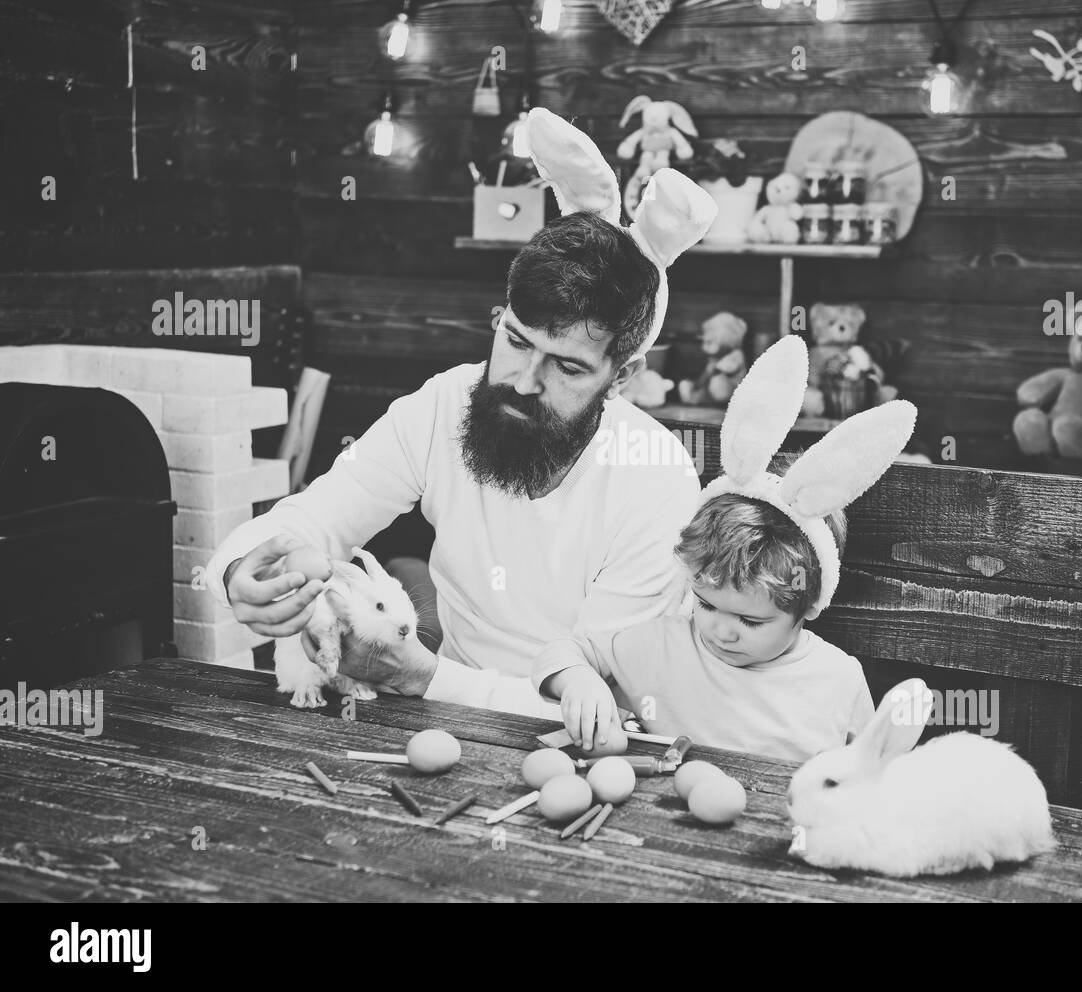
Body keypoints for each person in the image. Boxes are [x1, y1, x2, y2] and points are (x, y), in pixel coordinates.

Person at [203, 110, 718, 713]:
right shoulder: (447, 403)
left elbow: (608, 700)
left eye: (568, 367)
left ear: (622, 376)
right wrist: (242, 568)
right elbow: (318, 515)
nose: (523, 383)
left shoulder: (657, 480)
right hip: (442, 721)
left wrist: (422, 677)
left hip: (583, 749)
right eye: (517, 340)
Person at [532, 454, 873, 762]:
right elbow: (564, 652)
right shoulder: (661, 647)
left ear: (810, 603)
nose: (721, 631)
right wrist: (577, 681)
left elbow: (873, 774)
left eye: (750, 621)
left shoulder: (839, 682)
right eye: (706, 605)